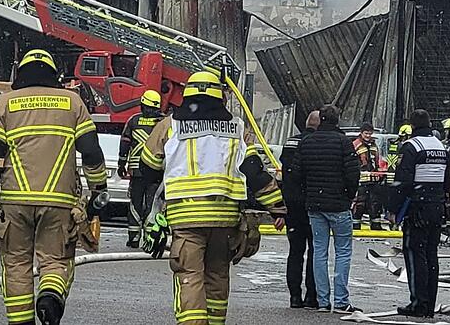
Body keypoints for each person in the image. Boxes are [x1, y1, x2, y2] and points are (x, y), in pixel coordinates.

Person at [0, 49, 109, 325]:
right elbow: (91, 152)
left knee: (16, 264)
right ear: (53, 75)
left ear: (20, 74)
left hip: (15, 201)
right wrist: (98, 192)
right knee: (57, 259)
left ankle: (21, 320)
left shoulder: (5, 104)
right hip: (59, 201)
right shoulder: (73, 103)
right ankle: (50, 294)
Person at [137, 70, 286, 325]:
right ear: (221, 96)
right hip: (225, 220)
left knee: (189, 276)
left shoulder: (170, 125)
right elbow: (255, 172)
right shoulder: (237, 129)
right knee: (217, 277)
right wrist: (277, 207)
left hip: (185, 219)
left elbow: (148, 168)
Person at [292, 104, 361, 314]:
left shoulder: (307, 142)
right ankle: (341, 301)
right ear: (337, 120)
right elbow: (353, 173)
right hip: (339, 205)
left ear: (321, 119)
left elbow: (296, 174)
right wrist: (349, 195)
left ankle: (322, 301)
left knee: (319, 252)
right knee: (343, 252)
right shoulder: (343, 143)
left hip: (315, 205)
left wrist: (309, 192)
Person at [387, 109, 450, 318]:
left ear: (412, 126)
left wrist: (393, 209)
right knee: (431, 255)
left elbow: (403, 182)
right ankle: (429, 304)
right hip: (436, 207)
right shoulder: (440, 147)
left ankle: (418, 303)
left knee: (415, 254)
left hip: (417, 207)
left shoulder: (412, 146)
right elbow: (447, 180)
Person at [281, 110, 320, 309]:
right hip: (313, 203)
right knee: (315, 251)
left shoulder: (290, 142)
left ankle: (294, 296)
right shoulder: (315, 144)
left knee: (295, 251)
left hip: (292, 206)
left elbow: (286, 176)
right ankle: (311, 296)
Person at [117, 89, 165, 248]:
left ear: (142, 105)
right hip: (157, 171)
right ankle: (150, 238)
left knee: (135, 203)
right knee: (154, 203)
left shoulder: (133, 121)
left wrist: (121, 164)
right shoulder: (164, 122)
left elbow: (125, 143)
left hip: (137, 171)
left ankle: (134, 238)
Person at [352, 122, 383, 230]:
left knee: (375, 203)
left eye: (370, 133)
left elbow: (377, 160)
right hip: (361, 179)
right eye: (366, 134)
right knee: (360, 202)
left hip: (374, 179)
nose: (368, 136)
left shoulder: (374, 145)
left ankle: (376, 224)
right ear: (361, 133)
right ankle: (355, 224)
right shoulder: (356, 145)